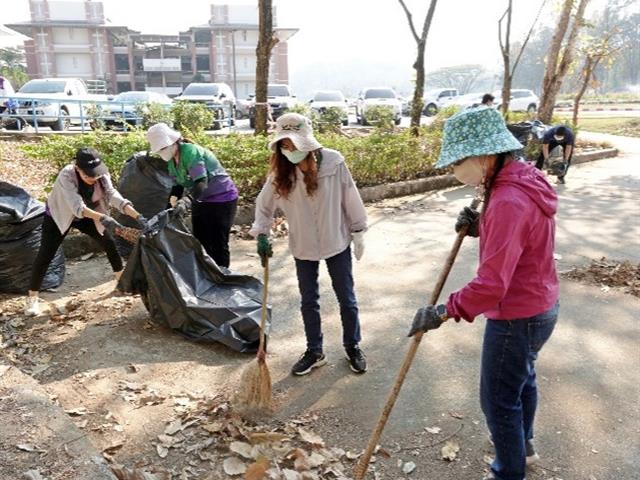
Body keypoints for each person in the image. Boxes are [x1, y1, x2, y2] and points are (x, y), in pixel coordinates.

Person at [408, 107, 559, 480]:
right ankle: (524, 447)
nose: (456, 169)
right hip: (542, 305)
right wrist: (481, 226)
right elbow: (521, 238)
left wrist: (445, 311)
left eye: (460, 160)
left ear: (486, 155)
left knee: (498, 402)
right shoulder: (523, 178)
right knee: (522, 380)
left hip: (516, 317)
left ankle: (508, 471)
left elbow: (491, 286)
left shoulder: (507, 200)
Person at [250, 113, 368, 376]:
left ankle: (353, 346)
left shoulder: (334, 163)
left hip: (336, 240)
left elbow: (351, 196)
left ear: (308, 142)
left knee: (346, 298)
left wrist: (358, 229)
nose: (289, 149)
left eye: (293, 143)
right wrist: (262, 234)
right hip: (303, 245)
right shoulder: (280, 174)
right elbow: (263, 206)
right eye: (285, 144)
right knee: (308, 301)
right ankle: (315, 351)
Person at [25, 148, 146, 316]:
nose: (93, 178)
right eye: (88, 175)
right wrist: (104, 219)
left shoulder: (101, 174)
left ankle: (122, 283)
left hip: (88, 213)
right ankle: (32, 298)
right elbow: (76, 207)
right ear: (77, 168)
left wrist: (137, 216)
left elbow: (112, 195)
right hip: (60, 215)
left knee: (108, 242)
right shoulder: (66, 176)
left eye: (95, 174)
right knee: (46, 254)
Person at [146, 123, 239, 268]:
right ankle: (208, 273)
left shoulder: (190, 152)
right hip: (201, 198)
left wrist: (187, 200)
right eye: (159, 150)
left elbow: (201, 182)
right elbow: (178, 186)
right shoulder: (172, 161)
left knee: (218, 242)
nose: (162, 152)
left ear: (173, 142)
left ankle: (223, 276)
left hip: (222, 197)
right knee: (200, 239)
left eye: (163, 148)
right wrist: (169, 209)